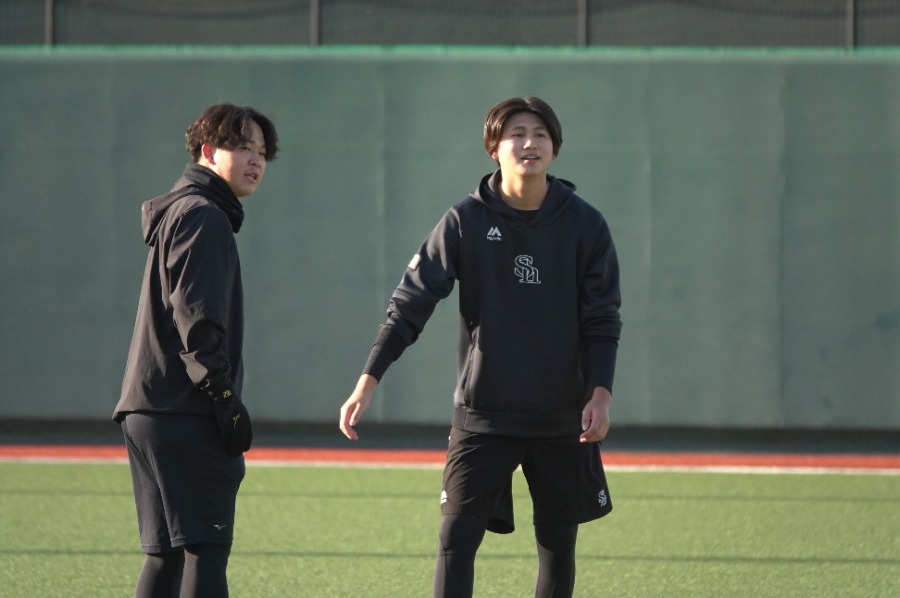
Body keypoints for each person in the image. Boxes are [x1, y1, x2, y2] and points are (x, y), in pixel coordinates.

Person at [339, 96, 622, 598]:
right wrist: (368, 380)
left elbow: (602, 319)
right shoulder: (464, 219)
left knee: (558, 547)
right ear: (494, 148)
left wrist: (600, 394)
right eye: (517, 134)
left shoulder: (586, 224)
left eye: (540, 134)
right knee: (455, 540)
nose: (529, 143)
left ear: (555, 147)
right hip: (483, 414)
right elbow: (410, 304)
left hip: (562, 415)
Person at [113, 103, 279, 598]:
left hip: (152, 410)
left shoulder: (185, 211)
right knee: (205, 551)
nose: (256, 160)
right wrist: (223, 398)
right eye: (243, 147)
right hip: (185, 413)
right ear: (208, 151)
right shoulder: (204, 216)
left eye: (262, 152)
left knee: (165, 556)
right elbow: (197, 322)